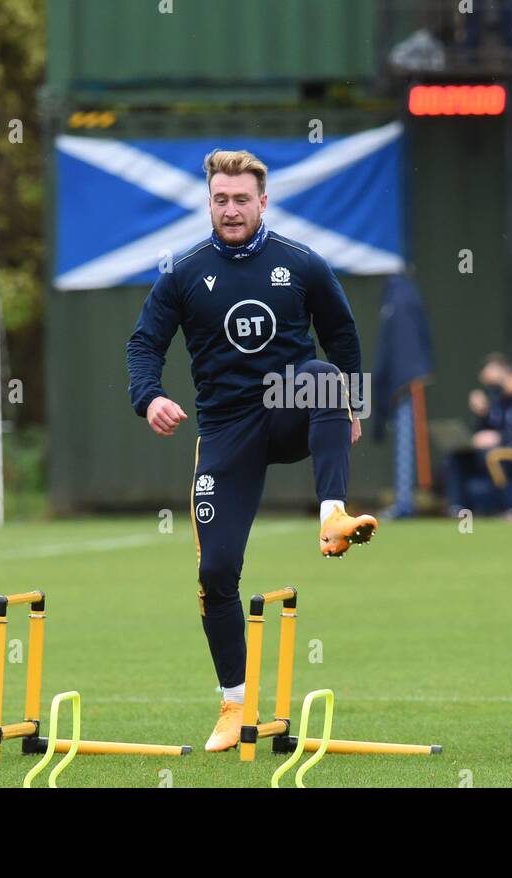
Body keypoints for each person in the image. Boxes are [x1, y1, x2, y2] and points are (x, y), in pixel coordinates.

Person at [126, 149, 377, 752]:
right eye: (221, 199)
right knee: (214, 573)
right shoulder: (183, 273)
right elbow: (143, 346)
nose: (231, 209)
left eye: (242, 199)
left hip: (289, 405)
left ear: (263, 201)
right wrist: (149, 397)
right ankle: (234, 707)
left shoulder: (301, 262)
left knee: (321, 372)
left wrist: (354, 403)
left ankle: (332, 516)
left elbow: (342, 333)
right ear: (208, 202)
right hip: (225, 429)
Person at [447, 353, 512, 518]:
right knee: (458, 457)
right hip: (500, 452)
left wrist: (500, 438)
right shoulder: (497, 401)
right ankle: (460, 510)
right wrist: (482, 414)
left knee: (493, 456)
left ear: (507, 374)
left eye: (494, 381)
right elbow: (484, 431)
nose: (492, 387)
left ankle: (507, 509)